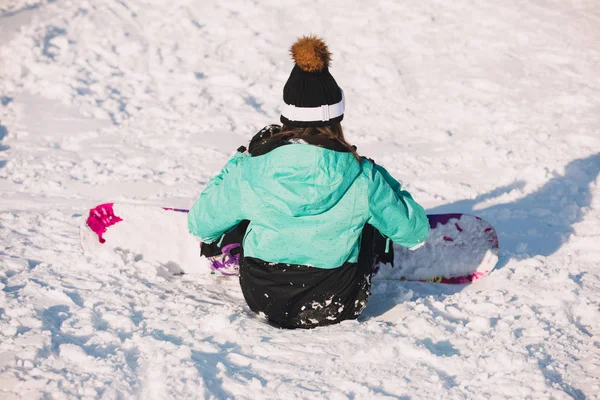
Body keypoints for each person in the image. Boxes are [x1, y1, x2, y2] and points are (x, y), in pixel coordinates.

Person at [188, 36, 429, 329]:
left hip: (263, 298)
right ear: (337, 116)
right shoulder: (362, 176)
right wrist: (376, 174)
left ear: (287, 116)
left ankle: (236, 248)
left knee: (246, 207)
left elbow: (199, 225)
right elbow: (415, 233)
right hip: (337, 302)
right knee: (368, 217)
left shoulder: (251, 169)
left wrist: (239, 162)